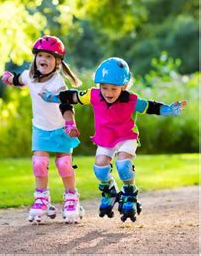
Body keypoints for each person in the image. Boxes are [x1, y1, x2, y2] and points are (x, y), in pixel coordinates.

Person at [40, 57, 187, 222]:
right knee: (99, 168)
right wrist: (52, 98)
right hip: (105, 138)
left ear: (124, 86)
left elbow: (151, 106)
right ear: (99, 86)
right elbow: (72, 97)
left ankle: (130, 192)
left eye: (114, 89)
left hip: (126, 137)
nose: (109, 93)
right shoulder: (93, 95)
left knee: (123, 164)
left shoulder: (131, 100)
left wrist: (168, 110)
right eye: (104, 88)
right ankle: (110, 190)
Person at [1, 35, 84, 224]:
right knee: (39, 162)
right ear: (35, 58)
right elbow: (18, 80)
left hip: (61, 129)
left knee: (64, 165)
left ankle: (71, 197)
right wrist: (9, 78)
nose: (43, 60)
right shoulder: (30, 76)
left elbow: (66, 107)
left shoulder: (58, 83)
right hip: (40, 129)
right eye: (40, 55)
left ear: (57, 62)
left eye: (48, 56)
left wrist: (70, 124)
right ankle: (42, 198)